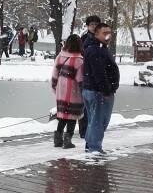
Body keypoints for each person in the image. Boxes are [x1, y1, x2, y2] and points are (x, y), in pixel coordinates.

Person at [82, 22, 120, 153]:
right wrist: (106, 90)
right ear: (96, 34)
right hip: (98, 92)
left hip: (92, 90)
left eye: (109, 33)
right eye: (104, 33)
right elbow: (99, 73)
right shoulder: (96, 50)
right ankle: (94, 148)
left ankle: (91, 145)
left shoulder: (97, 48)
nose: (108, 36)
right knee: (99, 121)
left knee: (94, 120)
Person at [51, 34, 85, 148]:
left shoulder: (60, 56)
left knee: (62, 116)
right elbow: (80, 79)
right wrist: (84, 92)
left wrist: (55, 87)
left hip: (61, 90)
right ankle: (67, 140)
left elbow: (54, 74)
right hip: (73, 92)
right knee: (72, 117)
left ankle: (57, 139)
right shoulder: (79, 60)